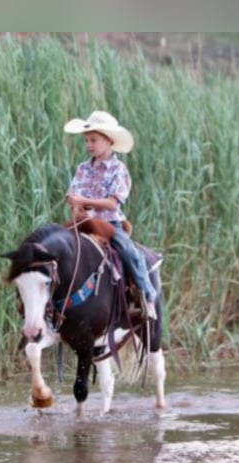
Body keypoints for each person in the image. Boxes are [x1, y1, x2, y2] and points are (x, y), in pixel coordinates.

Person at [63, 110, 157, 320]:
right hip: (84, 222)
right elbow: (73, 194)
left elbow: (111, 203)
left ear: (108, 140)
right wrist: (76, 206)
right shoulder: (83, 168)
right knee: (56, 245)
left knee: (129, 252)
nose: (89, 144)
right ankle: (57, 305)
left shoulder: (118, 170)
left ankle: (148, 297)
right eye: (87, 140)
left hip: (108, 222)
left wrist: (83, 201)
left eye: (93, 140)